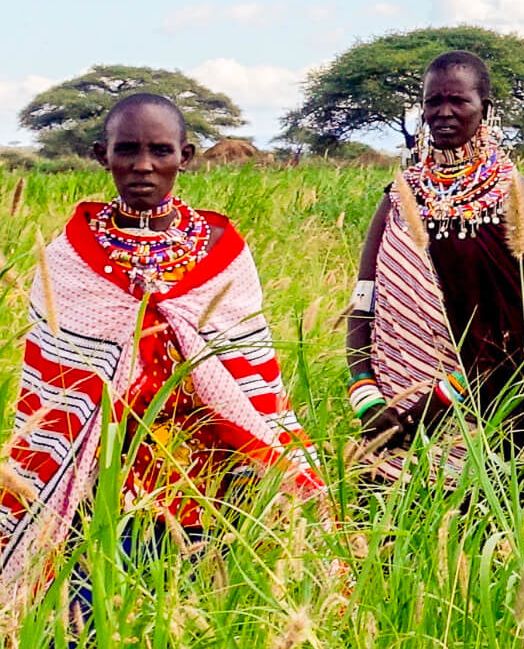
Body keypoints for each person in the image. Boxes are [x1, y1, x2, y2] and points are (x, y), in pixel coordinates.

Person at [0, 94, 324, 610]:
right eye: (126, 150)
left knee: (190, 623)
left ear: (186, 156)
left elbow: (250, 371)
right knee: (89, 627)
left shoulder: (222, 252)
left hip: (207, 482)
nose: (143, 165)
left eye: (160, 150)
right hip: (100, 480)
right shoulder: (69, 256)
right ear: (100, 154)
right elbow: (52, 385)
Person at [345, 50, 524, 480]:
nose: (443, 113)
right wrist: (367, 398)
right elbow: (364, 300)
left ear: (485, 109)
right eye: (433, 102)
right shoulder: (400, 193)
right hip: (387, 420)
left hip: (479, 414)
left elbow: (512, 333)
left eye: (458, 101)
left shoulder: (513, 194)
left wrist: (426, 411)